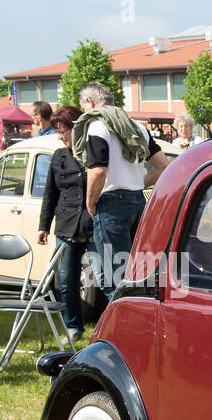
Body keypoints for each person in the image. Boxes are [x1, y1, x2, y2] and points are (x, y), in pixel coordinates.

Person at [71, 81, 170, 310]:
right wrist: (137, 183)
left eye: (84, 107)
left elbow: (97, 170)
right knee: (137, 273)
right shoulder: (137, 127)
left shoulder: (97, 126)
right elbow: (163, 165)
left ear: (90, 102)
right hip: (137, 202)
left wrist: (90, 200)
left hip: (112, 204)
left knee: (114, 277)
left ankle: (126, 325)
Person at [36, 106, 93, 338]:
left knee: (105, 277)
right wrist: (43, 226)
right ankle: (73, 325)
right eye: (57, 132)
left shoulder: (95, 152)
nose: (60, 136)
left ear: (77, 129)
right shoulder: (58, 156)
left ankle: (113, 327)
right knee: (66, 280)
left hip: (92, 223)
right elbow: (50, 193)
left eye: (64, 131)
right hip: (65, 226)